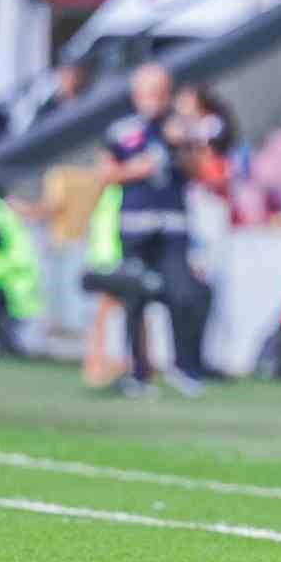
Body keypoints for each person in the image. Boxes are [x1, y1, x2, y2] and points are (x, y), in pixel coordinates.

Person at [97, 64, 213, 398]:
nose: (155, 99)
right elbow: (105, 173)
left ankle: (183, 365)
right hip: (135, 227)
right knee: (136, 298)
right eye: (149, 91)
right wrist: (138, 168)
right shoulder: (122, 131)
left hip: (173, 227)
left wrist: (184, 145)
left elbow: (200, 170)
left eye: (161, 91)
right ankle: (138, 372)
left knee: (184, 294)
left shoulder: (181, 129)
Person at [0, 184, 41, 356]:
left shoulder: (5, 213)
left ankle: (9, 344)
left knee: (8, 312)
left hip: (10, 272)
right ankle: (9, 344)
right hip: (8, 271)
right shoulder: (3, 212)